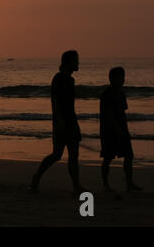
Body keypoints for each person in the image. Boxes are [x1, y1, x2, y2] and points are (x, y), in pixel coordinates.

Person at [29, 50, 87, 195]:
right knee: (57, 154)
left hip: (71, 120)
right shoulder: (58, 79)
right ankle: (36, 177)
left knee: (74, 154)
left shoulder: (71, 80)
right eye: (76, 60)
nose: (78, 63)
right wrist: (60, 121)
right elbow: (55, 101)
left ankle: (76, 186)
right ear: (68, 62)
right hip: (61, 121)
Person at [100, 67, 142, 192]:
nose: (122, 80)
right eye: (119, 77)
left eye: (122, 77)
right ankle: (106, 185)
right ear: (112, 78)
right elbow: (108, 114)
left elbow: (122, 112)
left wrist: (124, 129)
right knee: (107, 158)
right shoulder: (106, 94)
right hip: (108, 131)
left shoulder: (121, 93)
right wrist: (116, 128)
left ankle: (129, 183)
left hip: (122, 128)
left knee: (129, 155)